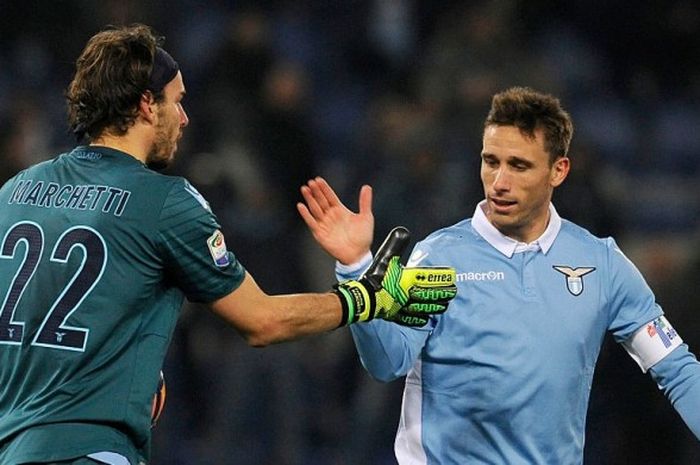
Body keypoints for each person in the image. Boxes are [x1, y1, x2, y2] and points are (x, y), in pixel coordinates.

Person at [0, 24, 457, 465]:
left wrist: (122, 367)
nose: (184, 117)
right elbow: (262, 322)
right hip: (90, 451)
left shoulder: (15, 191)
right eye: (176, 102)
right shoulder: (164, 201)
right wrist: (367, 299)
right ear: (145, 105)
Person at [297, 86, 700, 464]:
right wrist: (355, 268)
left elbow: (676, 368)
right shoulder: (438, 258)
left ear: (558, 171)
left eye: (519, 166)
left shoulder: (602, 264)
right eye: (491, 162)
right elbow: (388, 362)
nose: (500, 182)